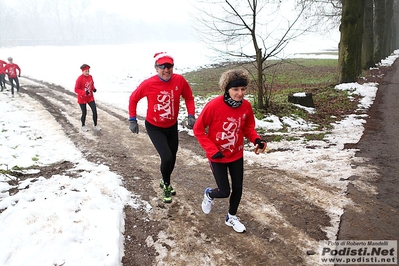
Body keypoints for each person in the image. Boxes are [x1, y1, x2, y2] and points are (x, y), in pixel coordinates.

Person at [193, 69, 267, 233]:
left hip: (236, 154)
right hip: (217, 156)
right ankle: (209, 194)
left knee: (238, 188)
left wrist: (256, 139)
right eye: (236, 89)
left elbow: (248, 127)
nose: (240, 93)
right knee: (224, 191)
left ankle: (231, 217)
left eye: (243, 89)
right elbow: (198, 130)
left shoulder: (246, 106)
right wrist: (212, 150)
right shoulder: (213, 106)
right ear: (227, 89)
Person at [128, 52, 196, 204]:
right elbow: (133, 98)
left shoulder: (179, 80)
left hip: (171, 126)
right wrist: (132, 119)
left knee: (172, 158)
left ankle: (164, 179)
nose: (166, 70)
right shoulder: (149, 84)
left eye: (169, 66)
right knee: (166, 157)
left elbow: (189, 97)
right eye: (162, 66)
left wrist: (191, 114)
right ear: (156, 68)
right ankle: (166, 185)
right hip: (154, 127)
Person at [74, 64, 101, 132]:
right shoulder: (79, 79)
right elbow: (76, 89)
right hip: (82, 98)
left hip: (90, 98)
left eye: (88, 71)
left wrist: (93, 89)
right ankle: (83, 125)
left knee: (94, 111)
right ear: (83, 71)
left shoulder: (90, 77)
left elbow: (91, 84)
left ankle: (95, 125)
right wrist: (84, 92)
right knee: (84, 113)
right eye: (86, 71)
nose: (87, 73)